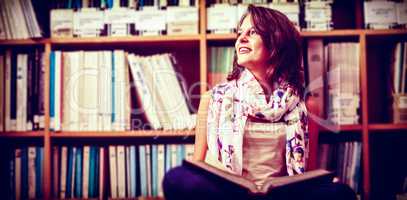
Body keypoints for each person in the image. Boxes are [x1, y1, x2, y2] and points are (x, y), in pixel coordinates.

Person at [163, 4, 357, 200]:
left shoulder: (305, 106)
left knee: (340, 193)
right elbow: (198, 167)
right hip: (228, 194)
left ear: (276, 42)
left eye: (252, 32)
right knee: (176, 178)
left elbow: (307, 173)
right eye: (239, 34)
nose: (241, 39)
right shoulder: (212, 99)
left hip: (277, 196)